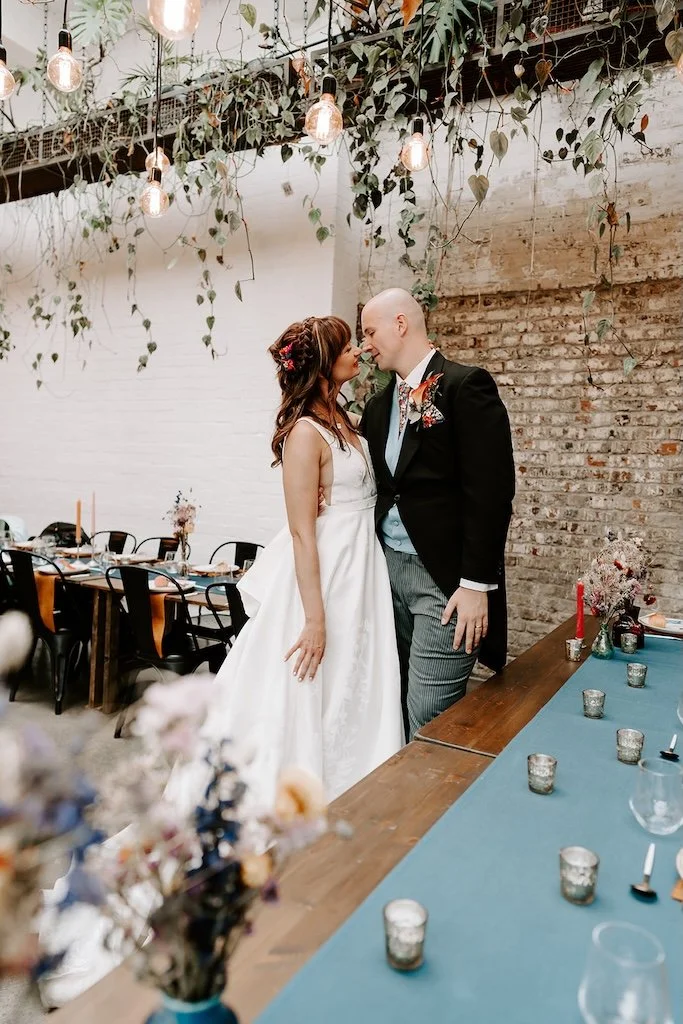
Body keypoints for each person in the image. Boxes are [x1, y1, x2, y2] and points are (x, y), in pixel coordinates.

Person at [39, 316, 404, 1010]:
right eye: (349, 344)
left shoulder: (344, 419)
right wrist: (317, 616)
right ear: (326, 361)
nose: (360, 350)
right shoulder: (304, 435)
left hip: (360, 578)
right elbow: (301, 534)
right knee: (301, 702)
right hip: (322, 587)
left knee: (348, 701)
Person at [360, 288, 515, 739]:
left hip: (443, 584)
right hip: (385, 575)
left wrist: (475, 585)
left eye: (371, 332)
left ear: (401, 324)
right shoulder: (375, 407)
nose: (367, 343)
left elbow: (491, 492)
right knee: (390, 701)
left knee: (429, 718)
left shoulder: (466, 386)